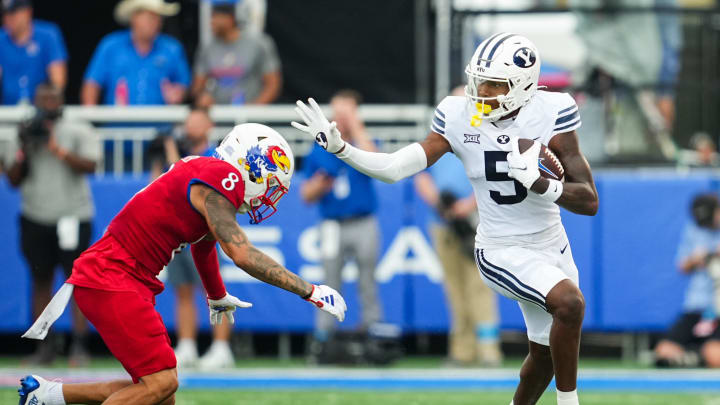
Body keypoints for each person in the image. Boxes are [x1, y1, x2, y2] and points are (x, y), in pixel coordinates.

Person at [294, 33, 598, 405]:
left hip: (552, 244)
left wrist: (542, 184)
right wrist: (343, 149)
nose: (481, 92)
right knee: (570, 304)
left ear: (523, 87)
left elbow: (588, 201)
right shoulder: (458, 115)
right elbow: (395, 168)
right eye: (478, 80)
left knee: (545, 356)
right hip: (501, 248)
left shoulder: (552, 111)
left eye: (494, 84)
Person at [18, 123, 347, 405]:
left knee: (160, 393)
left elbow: (204, 245)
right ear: (253, 165)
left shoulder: (207, 171)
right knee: (161, 384)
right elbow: (242, 253)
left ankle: (48, 395)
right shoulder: (222, 176)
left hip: (117, 276)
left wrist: (216, 295)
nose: (268, 196)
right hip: (113, 277)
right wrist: (310, 290)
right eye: (271, 184)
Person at [5, 84, 98, 366]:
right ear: (35, 101)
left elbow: (92, 166)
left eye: (53, 98)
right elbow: (12, 179)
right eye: (42, 99)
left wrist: (59, 150)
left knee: (77, 281)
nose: (48, 104)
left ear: (62, 101)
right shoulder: (22, 132)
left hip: (72, 214)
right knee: (40, 280)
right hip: (36, 215)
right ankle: (43, 348)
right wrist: (24, 147)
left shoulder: (77, 128)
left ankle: (79, 346)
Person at [149, 108, 235, 370]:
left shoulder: (216, 155)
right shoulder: (175, 153)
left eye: (197, 121)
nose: (192, 126)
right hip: (177, 233)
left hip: (204, 233)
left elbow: (186, 179)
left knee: (213, 291)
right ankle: (186, 344)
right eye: (189, 122)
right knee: (182, 290)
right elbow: (157, 188)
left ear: (209, 125)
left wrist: (172, 153)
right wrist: (159, 159)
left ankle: (221, 348)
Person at [299, 90, 383, 358]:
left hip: (362, 220)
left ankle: (373, 332)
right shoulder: (319, 148)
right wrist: (320, 185)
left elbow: (378, 163)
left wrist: (355, 127)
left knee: (367, 280)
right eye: (337, 112)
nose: (341, 118)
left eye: (346, 112)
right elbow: (306, 195)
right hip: (333, 223)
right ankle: (324, 337)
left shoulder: (363, 141)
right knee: (330, 281)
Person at [414, 153, 503, 367]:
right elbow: (421, 175)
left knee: (480, 286)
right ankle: (462, 350)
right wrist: (439, 204)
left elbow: (493, 176)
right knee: (454, 288)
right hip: (443, 223)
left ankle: (488, 350)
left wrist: (468, 205)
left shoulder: (479, 139)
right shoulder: (437, 139)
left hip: (476, 222)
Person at [654, 193, 720, 368]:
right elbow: (682, 266)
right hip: (696, 306)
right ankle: (695, 356)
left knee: (715, 355)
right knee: (664, 350)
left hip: (717, 308)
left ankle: (695, 357)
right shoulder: (694, 230)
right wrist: (696, 259)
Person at [81, 0, 190, 105]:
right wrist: (90, 114)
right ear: (134, 18)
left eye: (158, 17)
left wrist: (178, 93)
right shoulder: (111, 46)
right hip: (117, 121)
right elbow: (92, 84)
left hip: (161, 122)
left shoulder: (172, 48)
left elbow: (184, 85)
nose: (155, 22)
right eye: (149, 17)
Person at [191, 1, 281, 107]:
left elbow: (273, 84)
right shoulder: (207, 47)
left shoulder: (259, 44)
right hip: (217, 116)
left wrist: (254, 108)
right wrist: (203, 97)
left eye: (215, 17)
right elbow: (197, 87)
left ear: (230, 18)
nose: (211, 22)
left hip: (251, 117)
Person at [0, 0, 67, 104]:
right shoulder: (1, 39)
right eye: (5, 14)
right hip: (7, 111)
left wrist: (49, 96)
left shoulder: (48, 35)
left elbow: (58, 80)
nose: (8, 19)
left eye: (13, 13)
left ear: (27, 12)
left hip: (40, 110)